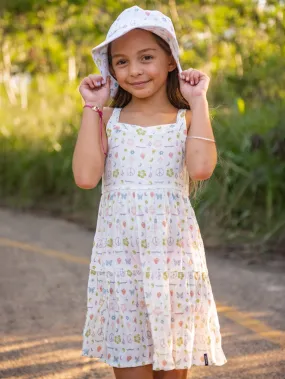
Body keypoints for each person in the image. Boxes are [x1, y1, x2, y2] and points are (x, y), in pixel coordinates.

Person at [73, 5, 227, 379]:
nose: (135, 70)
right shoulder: (108, 119)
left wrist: (199, 100)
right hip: (121, 262)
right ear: (111, 70)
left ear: (171, 61)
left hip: (173, 261)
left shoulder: (186, 118)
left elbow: (202, 168)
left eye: (146, 57)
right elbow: (85, 176)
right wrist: (91, 109)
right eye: (121, 62)